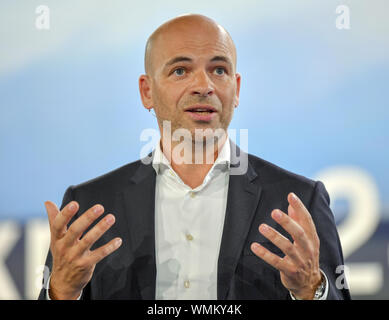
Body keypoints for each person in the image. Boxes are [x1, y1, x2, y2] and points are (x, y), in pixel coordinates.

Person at [38, 14, 350, 300]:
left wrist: (312, 289)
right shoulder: (90, 206)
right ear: (147, 91)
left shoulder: (297, 202)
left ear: (236, 88)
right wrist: (62, 291)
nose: (204, 86)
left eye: (219, 70)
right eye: (180, 70)